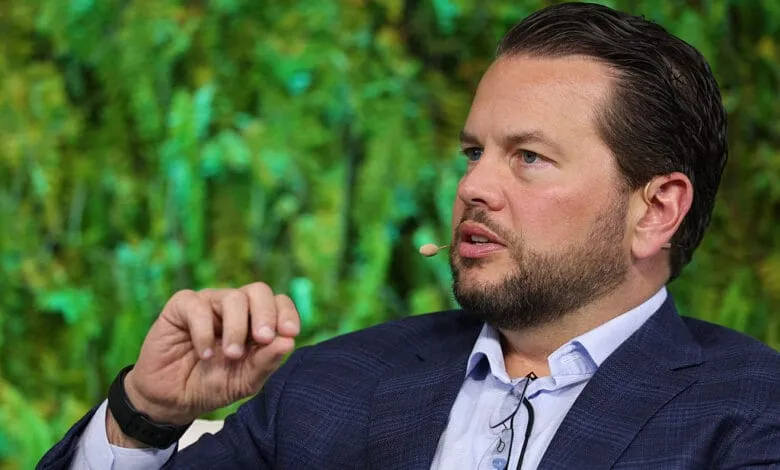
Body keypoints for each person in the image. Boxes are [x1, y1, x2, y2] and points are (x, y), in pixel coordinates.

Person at [38, 2, 780, 469]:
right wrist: (145, 416)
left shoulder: (752, 413)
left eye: (528, 158)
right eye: (473, 153)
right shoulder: (330, 385)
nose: (473, 188)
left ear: (656, 210)